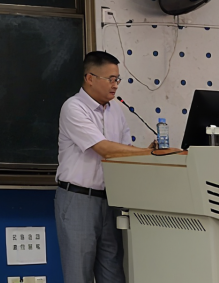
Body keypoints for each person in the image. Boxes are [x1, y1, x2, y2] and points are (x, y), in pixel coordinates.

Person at [55, 51, 177, 283]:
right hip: (78, 199)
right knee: (78, 274)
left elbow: (123, 151)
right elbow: (104, 149)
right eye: (110, 79)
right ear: (90, 78)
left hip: (111, 200)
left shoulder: (116, 111)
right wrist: (148, 153)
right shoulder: (74, 108)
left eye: (118, 79)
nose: (115, 85)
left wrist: (148, 152)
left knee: (113, 273)